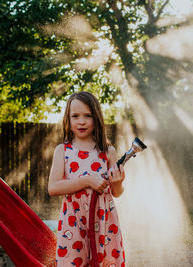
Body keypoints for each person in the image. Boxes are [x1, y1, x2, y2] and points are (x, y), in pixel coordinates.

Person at [48, 91, 126, 266]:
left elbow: (117, 193)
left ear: (96, 118)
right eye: (75, 116)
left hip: (104, 221)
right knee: (73, 262)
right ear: (68, 119)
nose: (81, 121)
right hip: (73, 221)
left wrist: (118, 182)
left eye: (87, 116)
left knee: (105, 262)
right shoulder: (63, 150)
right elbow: (53, 188)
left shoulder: (107, 151)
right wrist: (87, 180)